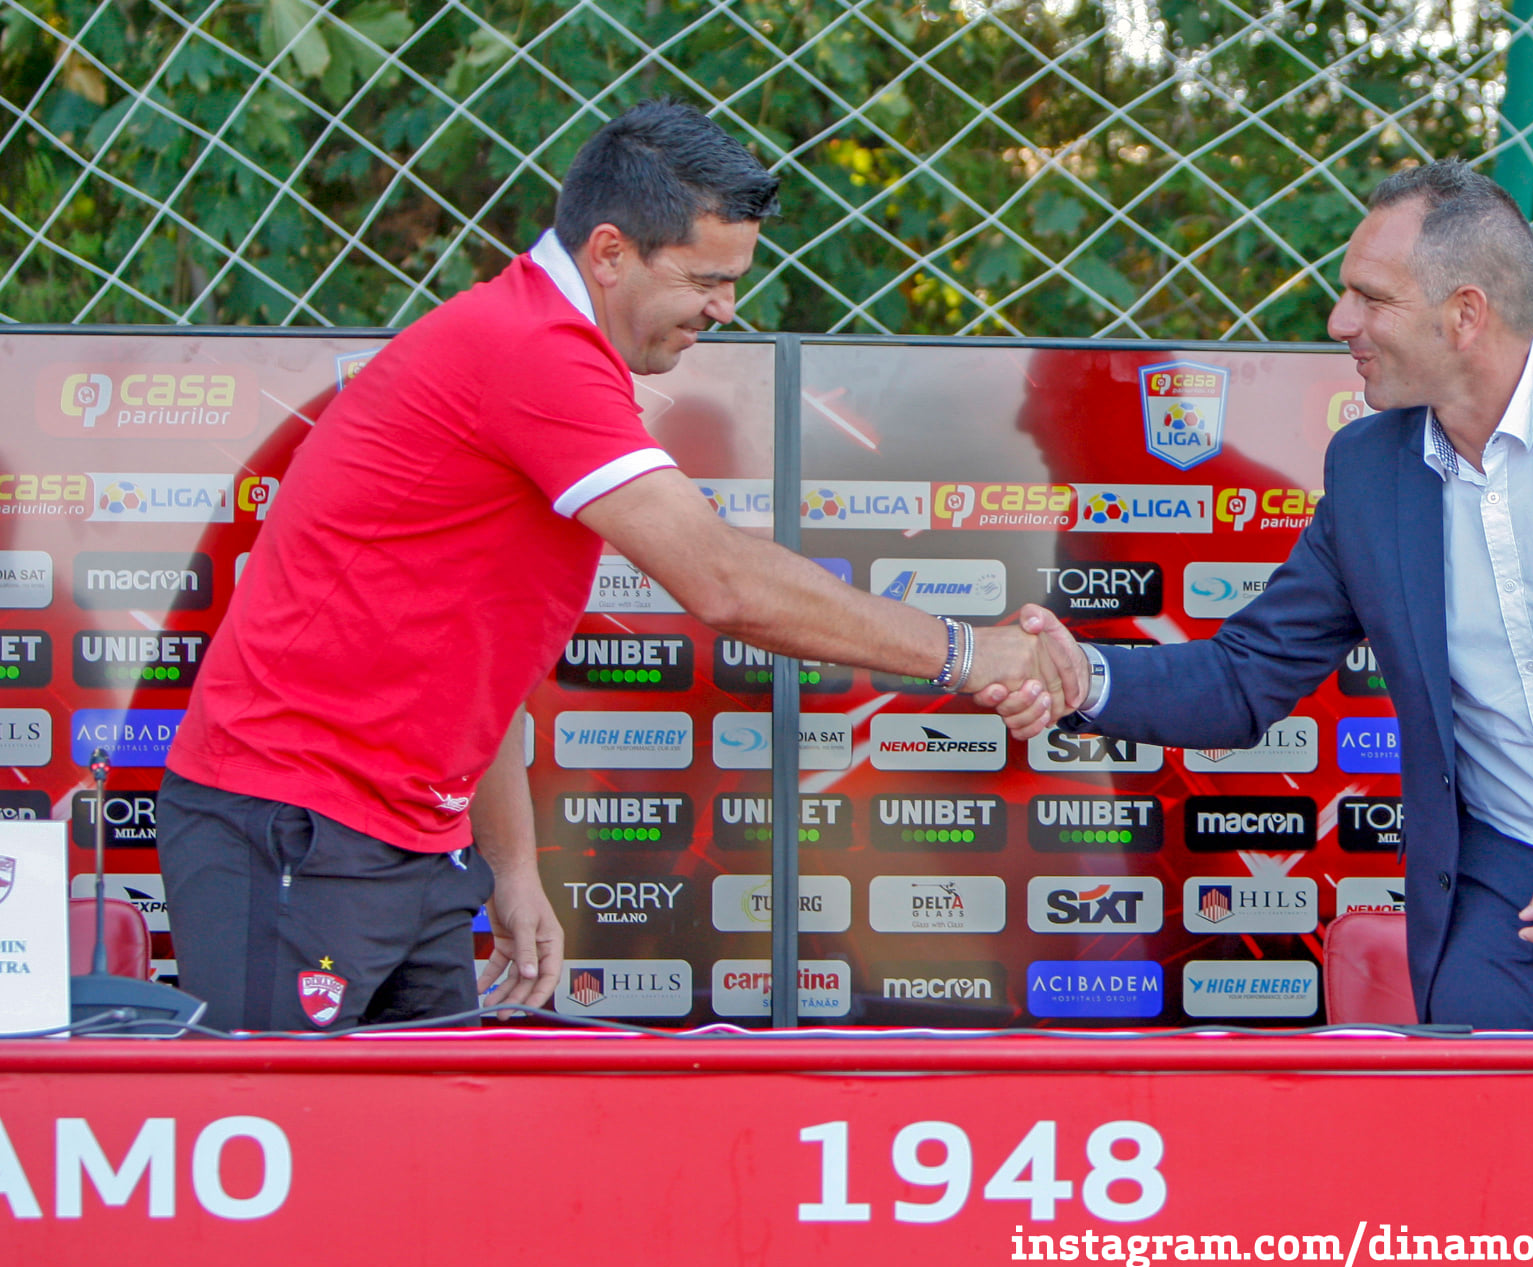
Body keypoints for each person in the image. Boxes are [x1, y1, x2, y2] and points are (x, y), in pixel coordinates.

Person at [159, 100, 1079, 1032]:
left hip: (416, 840)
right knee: (280, 1124)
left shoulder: (547, 344)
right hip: (294, 821)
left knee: (432, 1125)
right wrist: (970, 653)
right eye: (707, 280)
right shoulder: (535, 351)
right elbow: (724, 582)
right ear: (609, 253)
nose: (726, 309)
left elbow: (478, 652)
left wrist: (510, 867)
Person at [990, 160, 1533, 1029]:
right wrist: (1086, 676)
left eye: (1371, 298)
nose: (1340, 321)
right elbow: (1244, 675)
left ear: (1465, 315)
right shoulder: (1369, 471)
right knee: (1482, 1121)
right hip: (1511, 905)